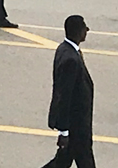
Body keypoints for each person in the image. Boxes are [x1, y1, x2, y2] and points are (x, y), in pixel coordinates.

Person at [40, 15, 95, 168]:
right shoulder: (71, 59)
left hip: (76, 126)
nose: (87, 30)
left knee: (61, 162)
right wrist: (64, 132)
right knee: (84, 162)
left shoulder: (64, 49)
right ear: (78, 31)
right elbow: (64, 97)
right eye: (85, 27)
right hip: (76, 127)